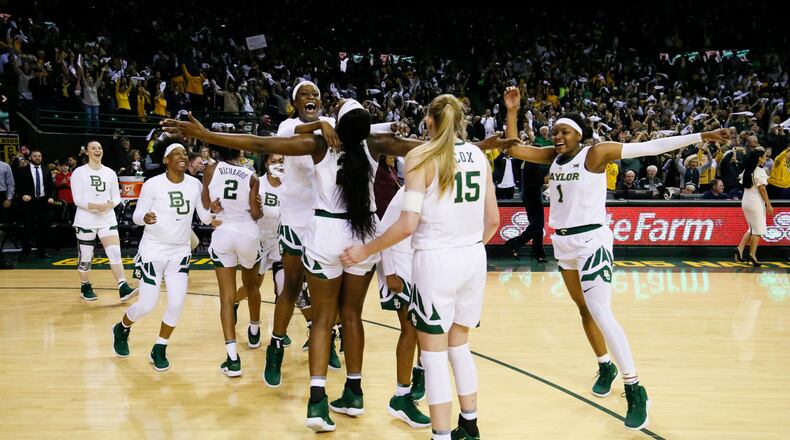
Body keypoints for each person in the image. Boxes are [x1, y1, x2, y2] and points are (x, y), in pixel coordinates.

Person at [502, 86, 729, 430]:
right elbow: (515, 148)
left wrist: (702, 135)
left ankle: (635, 387)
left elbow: (651, 146)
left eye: (563, 131)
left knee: (601, 312)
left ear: (579, 134)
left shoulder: (595, 154)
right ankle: (604, 364)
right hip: (562, 244)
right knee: (583, 309)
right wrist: (513, 111)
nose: (556, 135)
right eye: (554, 131)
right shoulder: (552, 156)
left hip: (592, 240)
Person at [340, 94, 499, 440]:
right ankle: (469, 426)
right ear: (460, 122)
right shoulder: (479, 157)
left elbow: (406, 225)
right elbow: (494, 222)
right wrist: (467, 247)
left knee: (434, 354)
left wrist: (365, 249)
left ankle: (441, 435)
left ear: (428, 122)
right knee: (460, 345)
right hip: (473, 257)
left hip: (436, 259)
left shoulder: (419, 156)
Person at [111, 139, 212, 371]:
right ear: (166, 160)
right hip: (153, 249)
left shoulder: (195, 185)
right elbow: (137, 216)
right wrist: (144, 218)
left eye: (185, 154)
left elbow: (204, 218)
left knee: (176, 303)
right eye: (177, 153)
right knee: (147, 305)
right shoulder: (153, 184)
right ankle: (122, 327)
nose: (183, 157)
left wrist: (214, 211)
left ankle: (160, 347)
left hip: (180, 250)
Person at [204, 144, 263, 377]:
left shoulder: (210, 169)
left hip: (223, 231)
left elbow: (207, 202)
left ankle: (232, 358)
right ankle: (255, 329)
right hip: (247, 231)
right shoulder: (252, 175)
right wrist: (258, 208)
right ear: (241, 152)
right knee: (252, 285)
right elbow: (256, 213)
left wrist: (214, 210)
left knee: (226, 297)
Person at [375, 187, 430, 428]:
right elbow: (384, 230)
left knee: (425, 328)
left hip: (422, 259)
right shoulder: (408, 191)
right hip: (399, 260)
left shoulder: (441, 187)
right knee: (410, 329)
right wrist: (389, 272)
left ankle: (419, 373)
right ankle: (401, 396)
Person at [70, 141, 136, 301]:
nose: (97, 150)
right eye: (93, 148)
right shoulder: (79, 172)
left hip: (107, 219)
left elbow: (116, 197)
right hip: (86, 221)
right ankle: (85, 285)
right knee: (85, 258)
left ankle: (123, 286)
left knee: (115, 253)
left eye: (99, 148)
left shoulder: (110, 173)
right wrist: (95, 206)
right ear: (87, 151)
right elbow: (77, 199)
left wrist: (110, 204)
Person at [234, 154, 285, 349]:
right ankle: (234, 302)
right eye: (273, 161)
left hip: (280, 241)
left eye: (281, 161)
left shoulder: (290, 185)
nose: (277, 164)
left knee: (284, 287)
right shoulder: (257, 183)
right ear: (265, 163)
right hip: (259, 238)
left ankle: (280, 329)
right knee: (252, 287)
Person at [735, 148, 773, 267]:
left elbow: (740, 181)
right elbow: (762, 189)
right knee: (758, 230)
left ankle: (740, 249)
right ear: (759, 158)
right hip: (756, 202)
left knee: (752, 229)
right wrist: (768, 204)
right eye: (764, 157)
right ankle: (752, 255)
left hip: (746, 201)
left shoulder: (747, 170)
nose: (765, 159)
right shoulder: (760, 171)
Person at [16, 149, 56, 260]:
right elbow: (18, 186)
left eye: (39, 156)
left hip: (43, 202)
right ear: (30, 157)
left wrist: (52, 197)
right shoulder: (23, 170)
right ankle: (25, 252)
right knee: (27, 228)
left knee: (43, 228)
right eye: (35, 156)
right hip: (29, 202)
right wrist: (23, 195)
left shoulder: (46, 170)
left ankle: (42, 252)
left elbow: (51, 187)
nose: (37, 157)